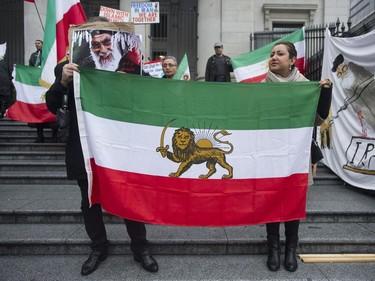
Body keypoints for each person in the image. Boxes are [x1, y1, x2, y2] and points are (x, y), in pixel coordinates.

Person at [45, 18, 158, 277]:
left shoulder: (130, 68)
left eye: (108, 41)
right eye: (95, 44)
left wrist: (133, 82)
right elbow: (52, 105)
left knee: (129, 198)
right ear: (86, 46)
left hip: (122, 147)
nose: (102, 49)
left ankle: (140, 248)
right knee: (89, 200)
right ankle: (98, 248)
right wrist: (61, 82)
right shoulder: (68, 69)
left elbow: (151, 100)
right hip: (85, 148)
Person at [262, 41, 332, 272]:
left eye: (280, 54)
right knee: (271, 200)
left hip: (296, 158)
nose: (274, 57)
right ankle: (273, 246)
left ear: (292, 60)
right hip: (270, 154)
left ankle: (291, 247)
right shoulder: (260, 88)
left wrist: (325, 93)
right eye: (272, 54)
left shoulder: (305, 87)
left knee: (292, 201)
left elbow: (318, 119)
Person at [27, 39, 58, 143]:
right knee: (37, 112)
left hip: (48, 85)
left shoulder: (49, 55)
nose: (37, 45)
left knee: (52, 112)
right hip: (37, 87)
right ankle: (39, 136)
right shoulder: (33, 55)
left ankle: (55, 135)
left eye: (38, 43)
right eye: (35, 43)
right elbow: (30, 67)